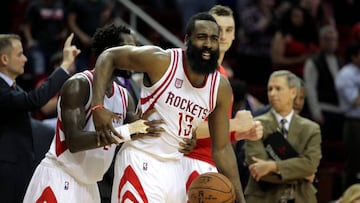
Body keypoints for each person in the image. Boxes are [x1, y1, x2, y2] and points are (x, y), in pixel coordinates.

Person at [91, 12, 245, 203]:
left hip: (175, 168)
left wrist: (240, 199)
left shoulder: (220, 87)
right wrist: (97, 107)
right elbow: (109, 56)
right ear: (187, 40)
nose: (208, 44)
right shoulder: (162, 61)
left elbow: (222, 149)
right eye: (201, 37)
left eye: (214, 38)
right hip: (141, 160)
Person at [23, 23, 166, 203]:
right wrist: (128, 131)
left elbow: (135, 130)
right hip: (60, 179)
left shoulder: (124, 96)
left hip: (90, 187)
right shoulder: (79, 85)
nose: (134, 56)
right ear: (110, 52)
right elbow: (74, 141)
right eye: (129, 49)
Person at [182, 5, 263, 195]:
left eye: (229, 30)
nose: (223, 35)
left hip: (208, 163)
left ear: (235, 36)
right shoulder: (195, 71)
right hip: (187, 161)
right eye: (218, 29)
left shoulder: (223, 75)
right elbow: (185, 128)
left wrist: (242, 133)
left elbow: (218, 132)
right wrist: (235, 124)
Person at [0, 33, 79, 202]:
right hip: (6, 167)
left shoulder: (12, 87)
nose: (25, 59)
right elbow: (34, 100)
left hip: (18, 164)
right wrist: (64, 65)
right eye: (20, 54)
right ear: (4, 59)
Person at [245, 70, 321, 203]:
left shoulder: (311, 129)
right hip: (264, 198)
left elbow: (310, 164)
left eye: (278, 89)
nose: (272, 93)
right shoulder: (255, 124)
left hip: (300, 197)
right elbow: (258, 170)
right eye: (270, 89)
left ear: (293, 92)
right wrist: (302, 174)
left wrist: (273, 166)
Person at [304, 25, 344, 139]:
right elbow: (310, 88)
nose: (331, 43)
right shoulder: (314, 62)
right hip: (324, 109)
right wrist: (316, 113)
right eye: (327, 39)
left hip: (341, 110)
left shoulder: (341, 61)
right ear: (321, 41)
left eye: (334, 39)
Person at [335, 42, 360, 191]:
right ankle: (348, 194)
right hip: (354, 123)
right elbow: (356, 101)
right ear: (354, 56)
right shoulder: (346, 74)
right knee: (354, 162)